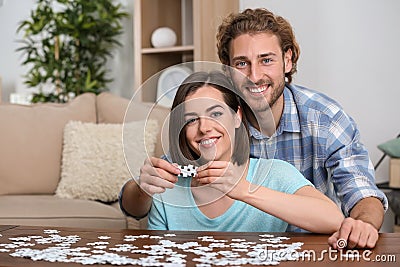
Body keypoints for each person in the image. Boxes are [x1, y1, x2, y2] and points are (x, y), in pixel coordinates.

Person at [119, 8, 387, 248]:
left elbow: (362, 194)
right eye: (242, 63)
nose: (255, 75)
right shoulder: (215, 119)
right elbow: (157, 189)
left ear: (288, 60)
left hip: (312, 247)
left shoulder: (325, 119)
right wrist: (143, 185)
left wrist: (362, 224)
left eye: (266, 60)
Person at [146, 70, 343, 232]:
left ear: (237, 117)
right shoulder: (167, 191)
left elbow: (333, 219)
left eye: (215, 113)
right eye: (191, 119)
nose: (204, 128)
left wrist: (245, 190)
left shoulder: (275, 174)